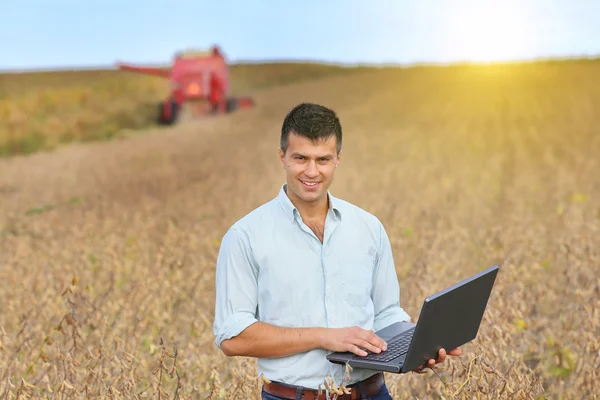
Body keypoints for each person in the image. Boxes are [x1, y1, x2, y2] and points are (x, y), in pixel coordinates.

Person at [212, 103, 461, 400]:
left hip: (373, 393)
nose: (312, 171)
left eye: (323, 159)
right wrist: (324, 336)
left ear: (338, 159)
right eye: (300, 158)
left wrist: (418, 345)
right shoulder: (245, 236)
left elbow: (386, 314)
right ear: (282, 157)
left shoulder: (368, 227)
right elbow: (233, 338)